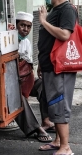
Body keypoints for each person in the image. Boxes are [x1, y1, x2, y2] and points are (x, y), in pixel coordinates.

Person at [37, 0, 77, 155]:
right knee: (52, 102)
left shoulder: (67, 9)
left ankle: (65, 147)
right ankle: (58, 141)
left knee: (59, 103)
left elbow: (65, 35)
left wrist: (44, 22)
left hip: (59, 67)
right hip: (49, 65)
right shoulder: (56, 9)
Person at [12, 11, 53, 142]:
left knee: (43, 84)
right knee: (18, 97)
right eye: (22, 25)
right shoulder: (9, 40)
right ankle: (35, 128)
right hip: (11, 82)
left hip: (23, 78)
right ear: (16, 25)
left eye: (29, 26)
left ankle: (46, 121)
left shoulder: (27, 43)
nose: (26, 29)